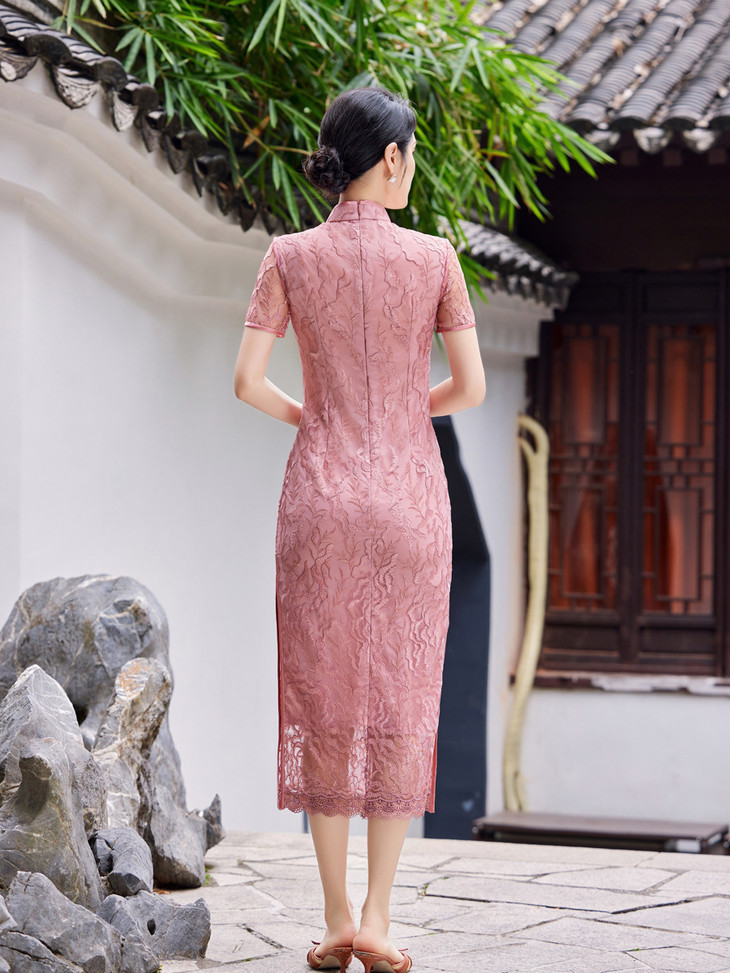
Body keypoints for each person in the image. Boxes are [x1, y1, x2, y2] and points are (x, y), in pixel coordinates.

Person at [234, 86, 485, 973]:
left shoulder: (289, 255)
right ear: (391, 158)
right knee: (400, 697)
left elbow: (247, 381)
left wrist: (316, 415)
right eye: (410, 155)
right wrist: (403, 413)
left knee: (324, 697)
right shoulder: (436, 258)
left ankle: (335, 917)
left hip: (320, 498)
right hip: (410, 500)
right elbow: (472, 388)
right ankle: (380, 916)